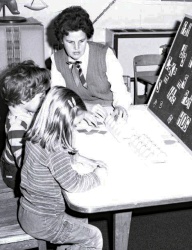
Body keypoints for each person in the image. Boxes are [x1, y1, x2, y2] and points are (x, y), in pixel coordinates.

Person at [18, 86, 108, 250]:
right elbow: (73, 184)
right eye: (76, 123)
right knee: (93, 236)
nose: (76, 127)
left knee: (81, 221)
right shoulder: (55, 148)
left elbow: (55, 159)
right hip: (45, 221)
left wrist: (84, 159)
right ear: (64, 122)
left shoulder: (37, 135)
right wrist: (97, 176)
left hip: (28, 211)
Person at [50, 6, 132, 121]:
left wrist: (120, 106)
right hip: (76, 110)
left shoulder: (105, 54)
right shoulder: (56, 59)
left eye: (81, 41)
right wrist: (85, 107)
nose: (76, 48)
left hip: (109, 110)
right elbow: (59, 98)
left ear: (87, 37)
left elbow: (120, 90)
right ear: (61, 40)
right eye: (70, 42)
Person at [0, 60, 50, 196]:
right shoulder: (16, 129)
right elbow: (26, 166)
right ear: (24, 98)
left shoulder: (23, 108)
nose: (45, 98)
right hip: (15, 172)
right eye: (41, 96)